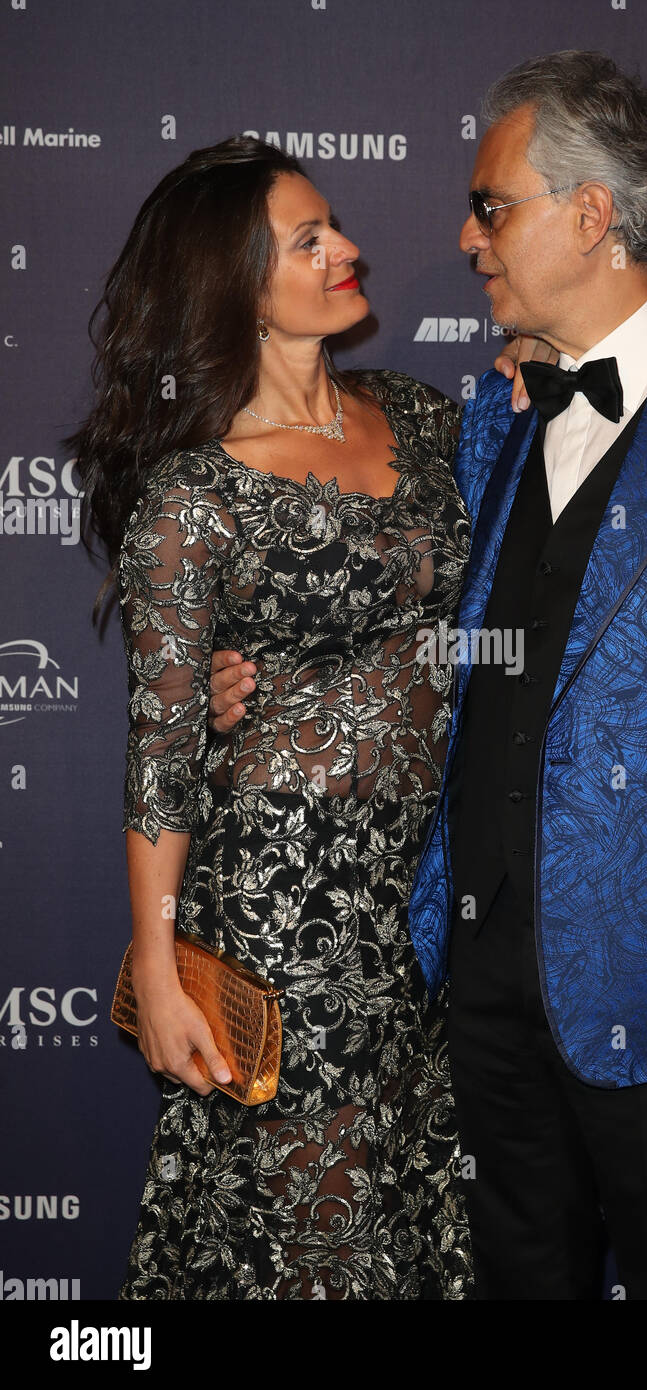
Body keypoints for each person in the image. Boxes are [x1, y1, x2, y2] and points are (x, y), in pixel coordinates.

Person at [209, 52, 647, 1300]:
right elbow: (394, 619)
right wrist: (255, 683)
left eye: (491, 205)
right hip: (478, 985)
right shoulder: (486, 419)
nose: (467, 237)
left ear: (591, 212)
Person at [70, 134, 531, 1300]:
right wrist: (163, 971)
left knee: (417, 1215)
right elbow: (162, 756)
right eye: (308, 240)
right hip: (283, 908)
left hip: (427, 902)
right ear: (236, 284)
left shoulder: (421, 417)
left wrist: (535, 357)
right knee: (306, 1233)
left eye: (335, 227)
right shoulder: (193, 494)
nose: (349, 250)